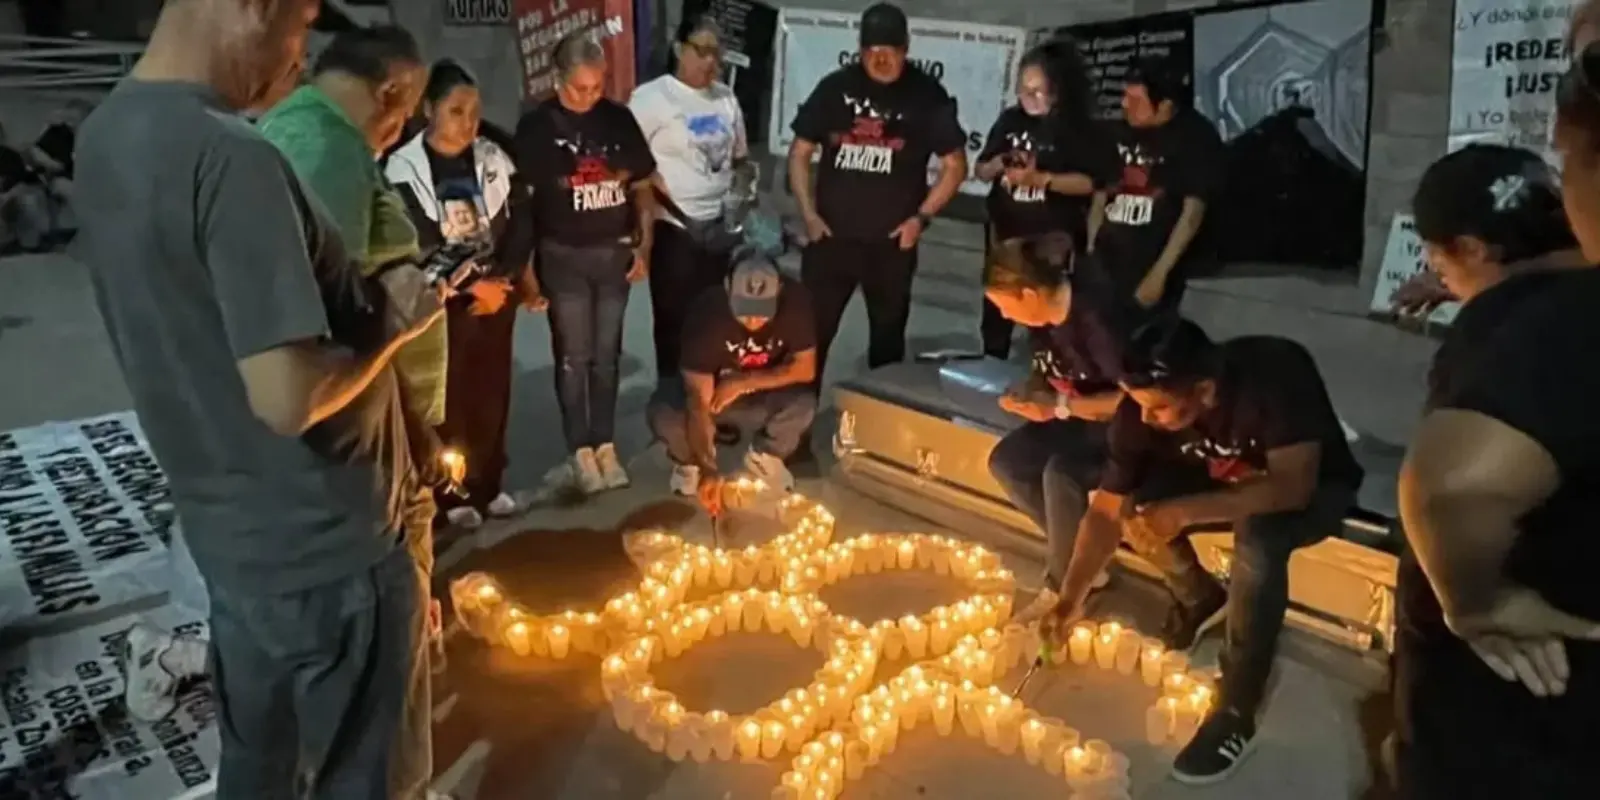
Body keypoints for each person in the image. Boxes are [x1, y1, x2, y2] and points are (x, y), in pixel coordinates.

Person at [73, 0, 439, 796]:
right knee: (364, 776)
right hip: (326, 543)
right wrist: (394, 323)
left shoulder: (105, 136)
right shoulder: (234, 159)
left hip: (232, 536)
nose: (299, 58)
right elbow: (285, 398)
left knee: (261, 766)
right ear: (249, 8)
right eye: (298, 25)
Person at [1044, 319, 1363, 784]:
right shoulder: (1141, 409)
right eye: (1139, 406)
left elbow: (1293, 487)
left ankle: (1237, 706)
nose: (1148, 420)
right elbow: (1105, 511)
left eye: (1161, 410)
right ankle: (1199, 597)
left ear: (1207, 391)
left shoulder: (1274, 375)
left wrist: (1187, 511)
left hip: (1316, 488)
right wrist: (1068, 599)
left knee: (1258, 539)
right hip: (1221, 479)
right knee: (1136, 506)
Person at [1390, 121, 1600, 799]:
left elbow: (1453, 488)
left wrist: (1476, 599)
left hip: (1519, 679)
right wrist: (1459, 286)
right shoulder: (1568, 290)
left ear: (1474, 249)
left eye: (1445, 259)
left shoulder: (1534, 329)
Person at [388, 59, 541, 529]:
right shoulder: (402, 168)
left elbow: (520, 223)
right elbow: (414, 239)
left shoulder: (494, 157)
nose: (468, 121)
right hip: (444, 300)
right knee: (449, 394)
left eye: (474, 110)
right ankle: (451, 492)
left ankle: (488, 482)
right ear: (429, 109)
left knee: (492, 389)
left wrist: (505, 281)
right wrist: (470, 283)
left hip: (498, 295)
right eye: (456, 110)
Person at [787, 1, 968, 391]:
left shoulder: (926, 95)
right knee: (809, 341)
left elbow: (955, 165)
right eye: (872, 52)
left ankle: (872, 428)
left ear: (906, 49)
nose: (881, 60)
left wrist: (921, 219)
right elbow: (800, 151)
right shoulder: (836, 88)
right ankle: (792, 438)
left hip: (891, 247)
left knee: (886, 346)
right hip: (830, 240)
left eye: (890, 52)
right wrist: (808, 213)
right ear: (860, 49)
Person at [513, 31, 658, 495]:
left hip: (611, 250)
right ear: (557, 81)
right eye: (579, 88)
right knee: (573, 356)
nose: (589, 97)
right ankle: (579, 448)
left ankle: (605, 443)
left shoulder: (617, 121)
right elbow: (525, 206)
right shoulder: (537, 127)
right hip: (562, 254)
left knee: (606, 356)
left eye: (597, 87)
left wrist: (644, 245)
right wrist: (527, 273)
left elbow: (640, 185)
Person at [983, 233, 1127, 611]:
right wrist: (1030, 391)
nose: (1003, 316)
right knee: (1008, 462)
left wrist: (1059, 407)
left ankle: (1064, 590)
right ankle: (1087, 561)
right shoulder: (1041, 319)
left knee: (1061, 472)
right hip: (1072, 415)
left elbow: (1133, 402)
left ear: (1029, 295)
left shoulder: (1098, 324)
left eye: (1004, 305)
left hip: (1123, 430)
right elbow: (1044, 367)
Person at [973, 37, 1111, 359]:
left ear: (1058, 90)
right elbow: (981, 170)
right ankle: (993, 358)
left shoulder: (1077, 129)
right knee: (998, 309)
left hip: (1050, 240)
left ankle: (1051, 369)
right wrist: (999, 164)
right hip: (1006, 234)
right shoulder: (1010, 120)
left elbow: (1091, 183)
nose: (1029, 98)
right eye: (1024, 89)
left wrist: (1043, 179)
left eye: (1038, 91)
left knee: (1046, 314)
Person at [630, 14, 751, 377]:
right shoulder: (652, 98)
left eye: (718, 53)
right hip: (674, 229)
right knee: (673, 323)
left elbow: (741, 159)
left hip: (720, 227)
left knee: (716, 319)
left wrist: (742, 202)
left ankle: (711, 396)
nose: (711, 62)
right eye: (702, 51)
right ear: (680, 49)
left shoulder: (726, 99)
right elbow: (632, 166)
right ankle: (672, 400)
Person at [648, 256, 818, 500]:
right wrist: (709, 467)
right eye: (744, 310)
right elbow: (698, 402)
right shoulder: (706, 315)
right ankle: (691, 462)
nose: (753, 321)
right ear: (727, 287)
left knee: (803, 404)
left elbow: (805, 369)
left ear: (779, 290)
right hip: (711, 397)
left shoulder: (796, 304)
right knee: (665, 415)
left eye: (762, 312)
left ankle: (765, 456)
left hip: (760, 395)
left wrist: (743, 382)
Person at [1090, 59, 1223, 318]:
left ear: (1165, 107)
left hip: (1154, 264)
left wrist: (1159, 274)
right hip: (1108, 263)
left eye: (1136, 101)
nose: (1125, 106)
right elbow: (1100, 194)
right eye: (1125, 97)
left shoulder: (1195, 138)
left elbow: (1192, 213)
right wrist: (1091, 250)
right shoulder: (1120, 132)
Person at [0, 122, 50, 254]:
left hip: (11, 199)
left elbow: (23, 183)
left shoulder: (10, 156)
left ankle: (29, 246)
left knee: (29, 201)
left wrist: (7, 196)